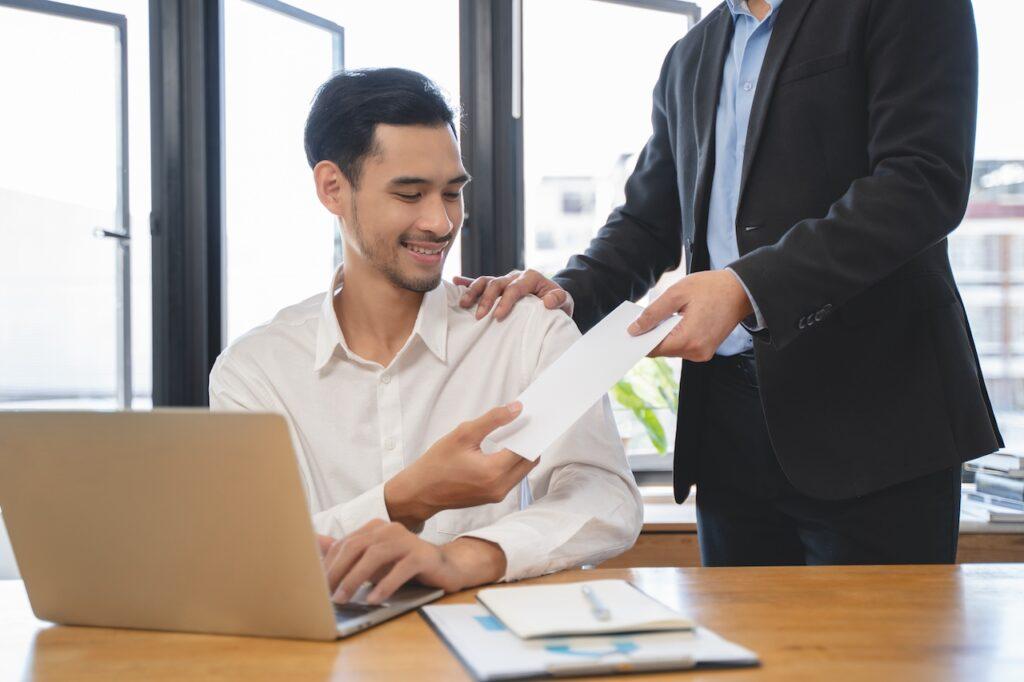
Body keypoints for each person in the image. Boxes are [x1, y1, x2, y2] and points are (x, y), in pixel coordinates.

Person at [458, 0, 1002, 566]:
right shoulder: (689, 56)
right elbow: (648, 223)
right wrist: (566, 292)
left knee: (880, 653)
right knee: (737, 648)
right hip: (725, 432)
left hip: (874, 421)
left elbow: (920, 181)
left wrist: (747, 286)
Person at [209, 68, 641, 604]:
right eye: (410, 194)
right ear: (332, 188)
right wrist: (408, 497)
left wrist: (461, 558)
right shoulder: (254, 372)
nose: (440, 222)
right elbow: (259, 553)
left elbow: (604, 495)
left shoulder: (527, 330)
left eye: (452, 193)